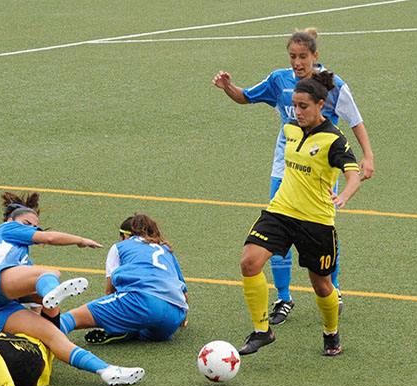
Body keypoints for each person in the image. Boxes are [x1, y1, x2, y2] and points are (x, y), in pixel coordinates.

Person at [213, 28, 374, 325]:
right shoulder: (279, 80)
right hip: (284, 167)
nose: (297, 62)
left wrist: (368, 156)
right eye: (292, 56)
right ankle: (284, 297)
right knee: (278, 230)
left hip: (320, 169)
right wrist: (227, 86)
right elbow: (245, 97)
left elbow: (355, 120)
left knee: (323, 232)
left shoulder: (333, 85)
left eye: (303, 57)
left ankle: (332, 289)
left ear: (315, 56)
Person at [0, 192, 144, 386]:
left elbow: (32, 308)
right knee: (50, 275)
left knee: (53, 336)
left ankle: (107, 371)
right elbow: (47, 237)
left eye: (35, 226)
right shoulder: (6, 229)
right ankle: (51, 293)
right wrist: (80, 240)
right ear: (11, 220)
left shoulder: (24, 263)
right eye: (27, 223)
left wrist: (43, 320)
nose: (32, 229)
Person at [237, 71, 361, 356]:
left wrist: (343, 195)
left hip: (316, 221)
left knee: (322, 287)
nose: (297, 111)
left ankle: (331, 333)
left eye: (304, 106)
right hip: (281, 211)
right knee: (249, 262)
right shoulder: (290, 129)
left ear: (320, 104)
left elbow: (352, 174)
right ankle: (262, 330)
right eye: (294, 105)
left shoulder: (334, 140)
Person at [59, 214, 189, 344]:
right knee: (145, 333)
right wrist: (182, 321)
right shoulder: (165, 249)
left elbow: (110, 291)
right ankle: (127, 332)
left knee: (74, 317)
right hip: (174, 315)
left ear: (126, 235)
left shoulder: (119, 247)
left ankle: (46, 335)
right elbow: (184, 292)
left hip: (143, 302)